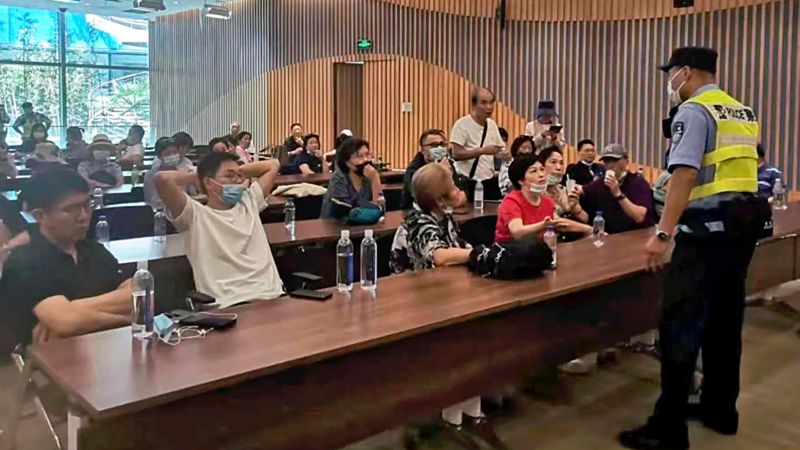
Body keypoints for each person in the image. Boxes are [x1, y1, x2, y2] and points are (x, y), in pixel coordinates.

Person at [620, 47, 764, 450]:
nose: (670, 82)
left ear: (685, 72)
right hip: (739, 231)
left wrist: (663, 234)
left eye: (671, 73)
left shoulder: (694, 111)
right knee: (724, 324)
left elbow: (684, 174)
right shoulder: (740, 110)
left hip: (703, 235)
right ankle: (721, 410)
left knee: (680, 326)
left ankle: (668, 429)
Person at [0, 169, 131, 354]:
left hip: (103, 352)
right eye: (70, 209)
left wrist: (74, 308)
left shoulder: (92, 249)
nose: (83, 216)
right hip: (49, 363)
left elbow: (136, 293)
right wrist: (128, 321)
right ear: (40, 216)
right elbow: (67, 322)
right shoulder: (24, 262)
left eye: (87, 205)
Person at [155, 153, 284, 308]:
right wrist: (200, 174)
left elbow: (273, 165)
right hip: (228, 305)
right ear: (209, 182)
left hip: (272, 296)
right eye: (229, 176)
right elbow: (163, 179)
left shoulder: (249, 202)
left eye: (239, 176)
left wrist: (237, 171)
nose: (237, 181)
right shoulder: (194, 214)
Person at [579, 144, 655, 234]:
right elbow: (582, 191)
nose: (610, 165)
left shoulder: (638, 182)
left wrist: (618, 193)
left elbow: (639, 217)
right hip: (609, 236)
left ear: (626, 162)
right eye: (606, 161)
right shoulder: (599, 183)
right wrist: (573, 198)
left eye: (614, 160)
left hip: (638, 234)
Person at [450, 87, 506, 200]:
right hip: (468, 182)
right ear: (474, 104)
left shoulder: (492, 124)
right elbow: (456, 154)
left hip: (489, 181)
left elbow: (499, 150)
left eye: (491, 103)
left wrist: (506, 154)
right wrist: (482, 151)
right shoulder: (462, 124)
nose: (489, 107)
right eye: (484, 103)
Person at [495, 154, 556, 243]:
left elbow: (558, 223)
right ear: (520, 180)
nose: (541, 174)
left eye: (542, 169)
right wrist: (543, 225)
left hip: (539, 248)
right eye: (533, 171)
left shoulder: (547, 201)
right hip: (510, 248)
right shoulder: (511, 201)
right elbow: (517, 232)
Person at [320, 138, 382, 219]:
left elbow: (380, 208)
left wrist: (375, 180)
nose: (366, 160)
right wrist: (373, 209)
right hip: (336, 224)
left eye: (367, 155)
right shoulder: (339, 178)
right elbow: (349, 213)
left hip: (365, 224)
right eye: (359, 156)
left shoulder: (369, 176)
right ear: (347, 162)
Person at [539, 147, 592, 236]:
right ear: (542, 166)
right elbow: (556, 222)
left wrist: (574, 208)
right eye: (553, 162)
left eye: (561, 163)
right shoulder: (537, 192)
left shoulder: (564, 189)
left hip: (573, 235)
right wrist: (589, 229)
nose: (558, 167)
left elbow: (585, 218)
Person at [401, 129, 450, 210]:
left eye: (442, 144)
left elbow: (456, 192)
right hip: (415, 212)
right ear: (423, 150)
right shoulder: (414, 170)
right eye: (434, 145)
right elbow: (424, 196)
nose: (439, 148)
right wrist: (439, 173)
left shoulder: (447, 164)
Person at [144, 137, 196, 209]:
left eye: (175, 152)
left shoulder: (184, 172)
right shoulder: (151, 175)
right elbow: (150, 200)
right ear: (159, 156)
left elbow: (193, 194)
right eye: (168, 153)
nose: (172, 155)